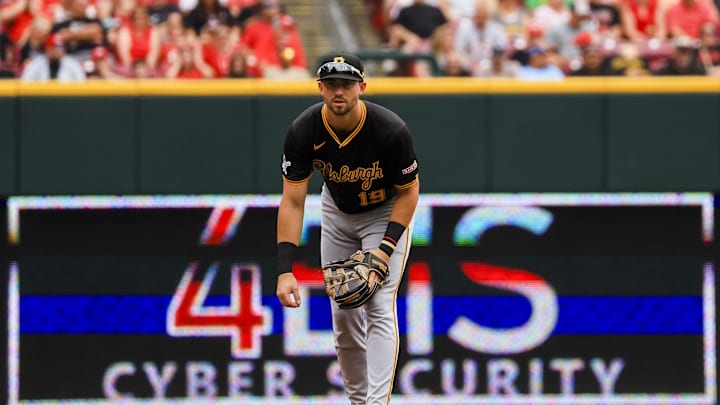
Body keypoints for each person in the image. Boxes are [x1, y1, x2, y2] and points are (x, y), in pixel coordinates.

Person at [276, 52, 420, 405]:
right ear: (320, 87)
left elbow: (409, 194)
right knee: (343, 309)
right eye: (332, 84)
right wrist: (284, 270)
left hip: (384, 211)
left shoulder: (389, 130)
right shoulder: (304, 130)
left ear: (362, 87)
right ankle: (358, 401)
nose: (339, 91)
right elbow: (292, 201)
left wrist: (383, 251)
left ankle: (376, 403)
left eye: (347, 83)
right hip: (338, 211)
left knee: (379, 303)